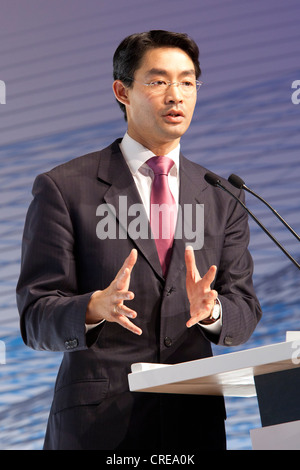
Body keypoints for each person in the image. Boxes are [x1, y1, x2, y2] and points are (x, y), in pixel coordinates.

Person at [16, 30, 262, 450]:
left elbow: (244, 311)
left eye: (187, 82)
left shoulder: (223, 194)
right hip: (99, 426)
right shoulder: (64, 187)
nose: (176, 95)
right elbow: (35, 317)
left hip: (193, 422)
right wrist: (92, 307)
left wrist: (213, 310)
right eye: (158, 81)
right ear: (122, 91)